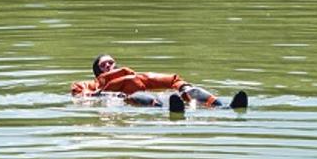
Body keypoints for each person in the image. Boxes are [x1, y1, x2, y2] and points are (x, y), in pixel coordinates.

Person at [69, 54, 248, 111]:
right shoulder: (87, 85)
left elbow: (171, 79)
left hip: (140, 94)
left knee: (189, 89)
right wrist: (105, 92)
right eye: (104, 64)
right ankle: (169, 109)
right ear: (97, 71)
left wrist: (182, 86)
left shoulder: (134, 77)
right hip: (126, 100)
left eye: (111, 62)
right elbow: (79, 95)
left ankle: (223, 106)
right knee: (140, 95)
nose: (109, 65)